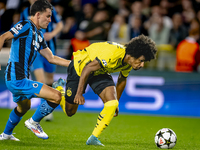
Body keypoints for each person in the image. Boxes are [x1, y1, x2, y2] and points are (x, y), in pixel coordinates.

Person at [53, 34, 157, 146]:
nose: (141, 65)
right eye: (141, 60)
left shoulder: (128, 63)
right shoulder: (112, 54)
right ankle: (59, 88)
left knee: (111, 103)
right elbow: (87, 69)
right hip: (81, 67)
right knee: (70, 112)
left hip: (99, 71)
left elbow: (122, 80)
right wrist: (79, 93)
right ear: (133, 54)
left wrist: (116, 102)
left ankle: (93, 138)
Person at [0, 0, 70, 141]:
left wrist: (75, 64)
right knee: (56, 96)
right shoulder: (25, 25)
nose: (50, 20)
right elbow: (3, 37)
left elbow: (51, 57)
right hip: (16, 78)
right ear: (38, 15)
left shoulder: (39, 35)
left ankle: (6, 134)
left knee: (23, 107)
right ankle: (33, 122)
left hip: (21, 78)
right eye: (48, 16)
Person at [20, 0, 63, 121]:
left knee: (49, 80)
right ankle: (44, 111)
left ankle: (47, 106)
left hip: (49, 49)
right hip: (35, 51)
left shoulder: (49, 9)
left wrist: (52, 34)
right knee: (41, 80)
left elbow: (60, 25)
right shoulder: (24, 12)